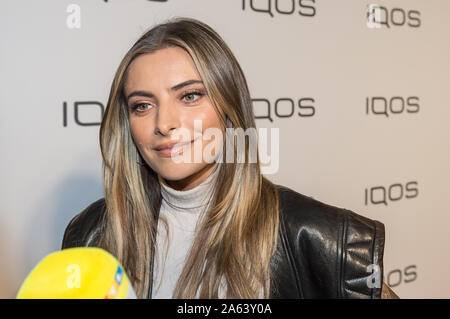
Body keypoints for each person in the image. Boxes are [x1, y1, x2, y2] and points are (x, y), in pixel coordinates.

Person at [61, 17, 399, 299]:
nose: (163, 124)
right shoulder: (89, 234)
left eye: (190, 96)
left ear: (229, 108)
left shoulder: (320, 238)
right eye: (142, 105)